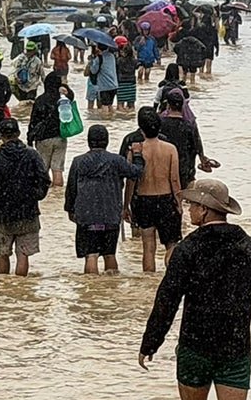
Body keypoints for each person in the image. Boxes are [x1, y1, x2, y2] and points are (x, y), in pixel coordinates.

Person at [138, 179, 251, 400]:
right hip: (235, 345)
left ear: (204, 209)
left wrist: (151, 342)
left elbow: (167, 300)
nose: (189, 210)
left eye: (192, 205)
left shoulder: (188, 250)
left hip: (194, 344)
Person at [65, 125, 145, 275]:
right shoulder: (116, 161)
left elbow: (71, 189)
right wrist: (137, 155)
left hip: (87, 215)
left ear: (89, 141)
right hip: (110, 214)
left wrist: (70, 209)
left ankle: (92, 291)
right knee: (110, 254)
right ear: (106, 141)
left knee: (91, 255)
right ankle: (110, 289)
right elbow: (136, 172)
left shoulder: (78, 161)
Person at [0, 118, 51, 276]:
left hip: (4, 214)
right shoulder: (32, 155)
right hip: (28, 212)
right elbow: (45, 180)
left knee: (3, 252)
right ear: (18, 133)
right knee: (23, 254)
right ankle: (20, 289)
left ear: (0, 135)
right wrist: (35, 195)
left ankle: (4, 287)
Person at [125, 108, 182, 271]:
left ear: (141, 128)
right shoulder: (170, 149)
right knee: (171, 244)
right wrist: (179, 202)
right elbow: (175, 179)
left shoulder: (136, 150)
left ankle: (148, 284)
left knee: (148, 248)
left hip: (144, 200)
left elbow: (131, 181)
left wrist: (126, 206)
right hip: (166, 200)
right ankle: (171, 277)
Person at [27, 71, 76, 188]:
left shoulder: (40, 100)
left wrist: (29, 138)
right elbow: (72, 96)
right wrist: (64, 87)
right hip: (60, 137)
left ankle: (47, 198)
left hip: (43, 139)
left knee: (43, 168)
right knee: (57, 168)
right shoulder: (63, 100)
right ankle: (57, 196)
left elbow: (33, 121)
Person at [160, 91, 212, 190]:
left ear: (168, 105)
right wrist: (202, 159)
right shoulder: (189, 125)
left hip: (165, 168)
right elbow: (197, 145)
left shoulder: (160, 124)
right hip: (185, 169)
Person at [87, 42, 119, 117]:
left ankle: (106, 121)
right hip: (114, 85)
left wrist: (91, 62)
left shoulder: (99, 58)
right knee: (110, 105)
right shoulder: (111, 56)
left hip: (105, 86)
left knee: (104, 106)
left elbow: (93, 71)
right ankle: (113, 121)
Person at [115, 37, 138, 111]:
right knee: (131, 105)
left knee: (120, 104)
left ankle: (122, 119)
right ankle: (130, 118)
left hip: (121, 83)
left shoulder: (118, 60)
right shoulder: (134, 61)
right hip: (131, 83)